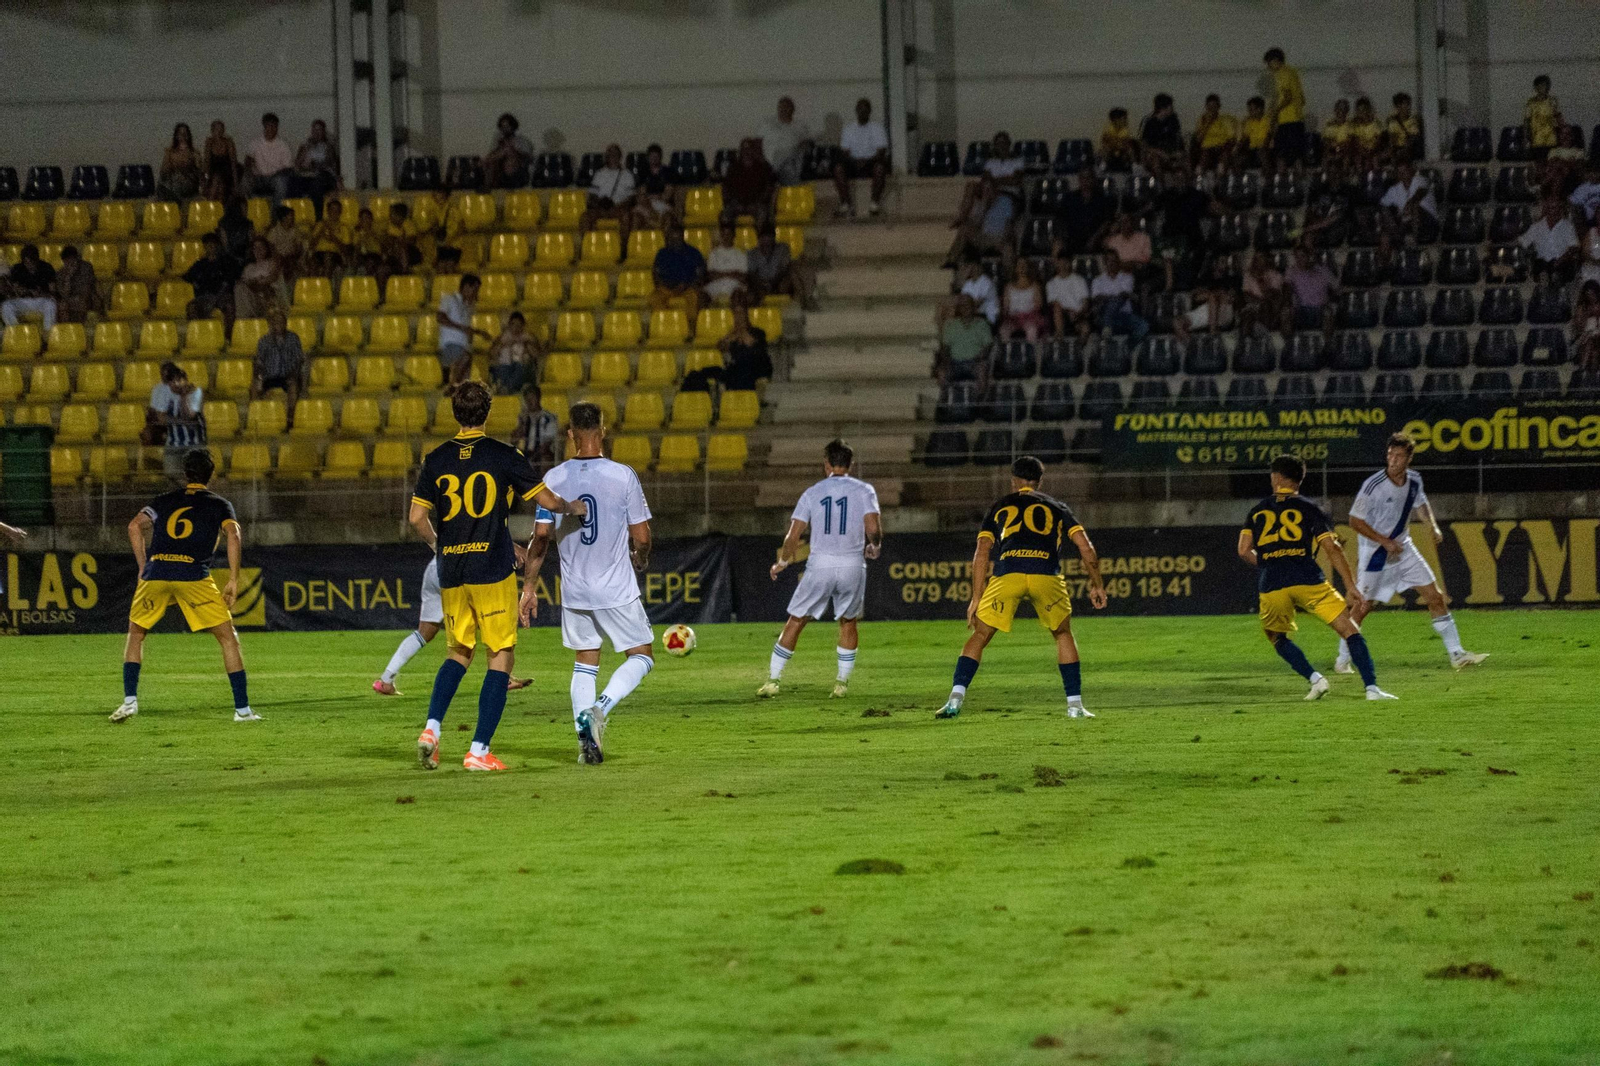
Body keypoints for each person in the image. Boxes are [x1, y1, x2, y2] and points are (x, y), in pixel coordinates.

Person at [410, 381, 582, 771]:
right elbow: (547, 501)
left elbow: (416, 519)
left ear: (455, 413)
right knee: (500, 654)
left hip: (451, 569)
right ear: (487, 413)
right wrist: (575, 507)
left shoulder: (435, 460)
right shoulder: (504, 455)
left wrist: (441, 548)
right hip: (491, 568)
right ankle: (478, 750)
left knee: (458, 651)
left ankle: (432, 730)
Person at [519, 401, 653, 766]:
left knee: (585, 661)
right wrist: (640, 558)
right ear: (603, 430)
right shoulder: (622, 475)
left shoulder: (554, 479)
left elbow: (541, 537)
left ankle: (584, 743)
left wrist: (528, 588)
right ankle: (599, 710)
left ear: (570, 434)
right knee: (641, 655)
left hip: (575, 590)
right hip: (615, 586)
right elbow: (641, 536)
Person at [934, 455, 1108, 720]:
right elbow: (1086, 547)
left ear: (1013, 480)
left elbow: (982, 552)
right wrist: (1097, 585)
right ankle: (1075, 707)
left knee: (981, 634)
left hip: (1008, 573)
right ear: (1039, 481)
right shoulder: (1057, 506)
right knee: (1062, 633)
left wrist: (976, 597)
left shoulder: (999, 506)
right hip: (1046, 574)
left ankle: (955, 700)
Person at [110, 449, 258, 724]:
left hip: (157, 572)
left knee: (136, 633)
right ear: (210, 476)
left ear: (185, 474)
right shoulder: (219, 504)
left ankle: (130, 701)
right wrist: (235, 580)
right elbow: (234, 534)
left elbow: (134, 526)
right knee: (228, 638)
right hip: (193, 575)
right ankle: (243, 710)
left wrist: (144, 567)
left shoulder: (164, 500)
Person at [1238, 454, 1394, 702]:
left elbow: (1243, 550)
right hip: (1308, 580)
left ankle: (1315, 679)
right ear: (1299, 479)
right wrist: (1351, 586)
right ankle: (1372, 689)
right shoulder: (1310, 508)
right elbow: (1333, 548)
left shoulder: (1257, 511)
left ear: (1277, 478)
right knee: (1350, 630)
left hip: (1273, 584)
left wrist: (1271, 562)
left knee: (1276, 637)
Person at [1333, 433, 1488, 676]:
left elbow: (1421, 503)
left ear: (1409, 459)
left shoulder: (1414, 480)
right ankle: (1342, 659)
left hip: (1403, 549)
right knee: (1363, 607)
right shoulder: (1373, 485)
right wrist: (1384, 541)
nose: (1393, 460)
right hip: (1375, 554)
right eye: (1390, 455)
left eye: (1398, 456)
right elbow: (1354, 521)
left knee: (1435, 596)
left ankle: (1457, 654)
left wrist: (1432, 526)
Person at [759, 439, 882, 700]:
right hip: (851, 563)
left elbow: (794, 535)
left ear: (826, 464)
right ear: (851, 464)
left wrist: (782, 562)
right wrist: (875, 545)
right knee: (848, 622)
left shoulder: (813, 492)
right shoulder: (864, 490)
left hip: (821, 564)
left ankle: (773, 680)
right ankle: (841, 684)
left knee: (796, 620)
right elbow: (872, 527)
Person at [373, 556, 534, 697]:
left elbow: (418, 522)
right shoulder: (481, 521)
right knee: (499, 620)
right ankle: (503, 678)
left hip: (437, 565)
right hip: (464, 566)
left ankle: (386, 680)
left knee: (425, 632)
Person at [148, 362, 205, 479]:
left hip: (195, 442)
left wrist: (184, 397)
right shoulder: (164, 393)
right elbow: (162, 418)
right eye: (173, 382)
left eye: (179, 380)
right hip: (173, 442)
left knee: (196, 475)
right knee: (171, 474)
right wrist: (182, 422)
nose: (177, 384)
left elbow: (190, 415)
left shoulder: (195, 392)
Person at [833, 97, 889, 218]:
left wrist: (866, 161)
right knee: (838, 168)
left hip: (871, 163)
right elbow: (845, 152)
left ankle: (874, 204)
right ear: (856, 111)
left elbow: (881, 152)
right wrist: (855, 161)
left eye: (865, 110)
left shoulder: (877, 128)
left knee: (880, 168)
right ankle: (846, 205)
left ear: (869, 111)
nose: (862, 112)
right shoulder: (848, 129)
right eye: (860, 110)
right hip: (853, 163)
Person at [437, 273, 490, 392]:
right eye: (475, 289)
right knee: (466, 357)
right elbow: (440, 317)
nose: (476, 293)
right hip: (450, 344)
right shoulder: (449, 299)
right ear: (466, 286)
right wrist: (462, 328)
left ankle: (456, 392)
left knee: (465, 380)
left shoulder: (469, 306)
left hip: (464, 345)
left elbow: (466, 327)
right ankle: (451, 386)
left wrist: (478, 332)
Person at [250, 309, 304, 424]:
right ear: (271, 324)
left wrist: (294, 374)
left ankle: (290, 417)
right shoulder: (264, 341)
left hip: (287, 375)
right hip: (269, 376)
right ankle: (255, 416)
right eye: (275, 322)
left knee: (293, 384)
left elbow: (299, 360)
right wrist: (259, 376)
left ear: (285, 323)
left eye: (281, 322)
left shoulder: (293, 339)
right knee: (255, 385)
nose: (278, 325)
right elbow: (259, 362)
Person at [580, 143, 636, 247]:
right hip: (601, 208)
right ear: (607, 156)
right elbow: (592, 195)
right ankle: (587, 247)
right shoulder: (599, 174)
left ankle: (623, 248)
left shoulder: (627, 175)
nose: (613, 157)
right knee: (585, 218)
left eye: (615, 154)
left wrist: (617, 206)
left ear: (620, 157)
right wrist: (599, 203)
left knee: (627, 218)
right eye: (610, 154)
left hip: (619, 208)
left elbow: (631, 198)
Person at [650, 222, 706, 325]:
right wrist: (667, 286)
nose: (675, 241)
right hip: (667, 288)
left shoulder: (693, 252)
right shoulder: (662, 253)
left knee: (695, 297)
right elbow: (656, 274)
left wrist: (687, 285)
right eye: (672, 239)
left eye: (677, 238)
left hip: (688, 288)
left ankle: (690, 327)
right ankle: (667, 324)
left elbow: (701, 274)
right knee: (655, 298)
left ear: (682, 236)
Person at [1090, 250, 1148, 343]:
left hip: (1124, 316)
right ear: (1105, 262)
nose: (1112, 263)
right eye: (1109, 260)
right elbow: (1097, 299)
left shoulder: (1127, 277)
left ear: (1118, 262)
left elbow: (1124, 296)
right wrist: (1113, 298)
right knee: (1115, 301)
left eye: (1114, 260)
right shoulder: (1098, 280)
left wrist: (1108, 298)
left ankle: (1128, 348)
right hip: (1104, 316)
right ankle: (1107, 326)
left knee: (1143, 326)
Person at [1052, 172, 1114, 258]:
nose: (1086, 181)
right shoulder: (1070, 198)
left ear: (1093, 180)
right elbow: (1060, 219)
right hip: (1072, 239)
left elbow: (1107, 221)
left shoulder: (1102, 199)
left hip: (1096, 239)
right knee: (1058, 245)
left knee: (1108, 243)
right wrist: (1063, 237)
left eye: (1088, 178)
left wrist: (1094, 239)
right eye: (1083, 178)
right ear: (1079, 180)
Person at [936, 293, 992, 387]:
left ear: (973, 306)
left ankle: (980, 400)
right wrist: (946, 361)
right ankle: (946, 399)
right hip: (954, 363)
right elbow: (945, 347)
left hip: (974, 363)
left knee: (982, 370)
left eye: (968, 305)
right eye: (962, 306)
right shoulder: (950, 325)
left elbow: (988, 346)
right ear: (958, 308)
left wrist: (980, 357)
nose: (965, 308)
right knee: (942, 372)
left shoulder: (982, 324)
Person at [1519, 196, 1579, 283]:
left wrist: (1559, 261)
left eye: (1554, 207)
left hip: (1561, 262)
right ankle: (1545, 279)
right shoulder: (1536, 227)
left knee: (1564, 268)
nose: (1552, 210)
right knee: (1539, 265)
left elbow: (1574, 247)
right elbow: (1523, 242)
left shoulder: (1568, 226)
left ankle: (1552, 278)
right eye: (1549, 207)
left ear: (1560, 209)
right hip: (1542, 263)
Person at [747, 226, 811, 307]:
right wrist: (763, 284)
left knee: (791, 275)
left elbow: (784, 269)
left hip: (778, 282)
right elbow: (752, 274)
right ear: (759, 240)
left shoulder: (783, 249)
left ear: (773, 239)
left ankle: (801, 302)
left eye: (769, 241)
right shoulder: (752, 253)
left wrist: (773, 283)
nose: (766, 244)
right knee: (751, 288)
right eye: (763, 241)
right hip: (761, 284)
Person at [1263, 48, 1307, 169]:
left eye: (1269, 63)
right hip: (1298, 120)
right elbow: (1302, 99)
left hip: (1287, 121)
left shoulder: (1281, 74)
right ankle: (1300, 184)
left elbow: (1287, 97)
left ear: (1276, 60)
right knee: (1297, 155)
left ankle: (1282, 184)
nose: (1268, 67)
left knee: (1281, 154)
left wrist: (1275, 113)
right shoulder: (1293, 72)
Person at [1379, 161, 1439, 247]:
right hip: (1407, 223)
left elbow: (1420, 193)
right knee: (1385, 232)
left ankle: (1414, 239)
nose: (1402, 174)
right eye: (1399, 172)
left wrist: (1409, 203)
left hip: (1429, 224)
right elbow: (1383, 205)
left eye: (1405, 171)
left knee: (1415, 207)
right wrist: (1392, 221)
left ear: (1411, 171)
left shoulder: (1420, 180)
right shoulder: (1394, 189)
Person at [185, 232, 237, 330]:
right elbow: (188, 276)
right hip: (205, 296)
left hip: (222, 296)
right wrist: (195, 282)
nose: (211, 247)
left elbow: (230, 280)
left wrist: (217, 297)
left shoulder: (226, 262)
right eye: (208, 244)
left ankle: (229, 334)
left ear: (217, 246)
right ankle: (197, 332)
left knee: (229, 306)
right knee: (191, 308)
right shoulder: (200, 264)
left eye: (213, 244)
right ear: (204, 246)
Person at [722, 137, 777, 227]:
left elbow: (770, 186)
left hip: (756, 204)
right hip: (737, 204)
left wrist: (759, 201)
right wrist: (733, 202)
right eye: (744, 149)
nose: (746, 152)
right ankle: (727, 240)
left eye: (749, 149)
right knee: (725, 215)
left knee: (763, 214)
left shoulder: (763, 167)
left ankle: (761, 239)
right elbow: (726, 188)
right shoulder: (734, 168)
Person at [1285, 244, 1339, 335]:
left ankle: (1328, 345)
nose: (1299, 260)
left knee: (1328, 312)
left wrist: (1328, 299)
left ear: (1309, 256)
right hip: (1301, 310)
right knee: (1286, 312)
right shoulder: (1291, 271)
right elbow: (1286, 287)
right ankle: (1290, 345)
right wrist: (1289, 302)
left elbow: (1337, 289)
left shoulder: (1323, 271)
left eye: (1302, 256)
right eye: (1297, 257)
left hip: (1320, 309)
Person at [293, 119, 341, 217]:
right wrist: (306, 151)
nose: (316, 133)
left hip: (325, 176)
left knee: (317, 184)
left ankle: (318, 216)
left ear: (324, 132)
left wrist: (315, 165)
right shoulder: (305, 145)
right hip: (308, 175)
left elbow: (330, 163)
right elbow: (297, 165)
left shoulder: (328, 146)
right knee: (293, 182)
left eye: (319, 130)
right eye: (314, 130)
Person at [1, 244, 57, 330]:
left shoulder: (47, 267)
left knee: (51, 305)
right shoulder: (17, 268)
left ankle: (48, 333)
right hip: (23, 300)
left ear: (37, 260)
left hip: (41, 300)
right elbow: (16, 289)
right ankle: (17, 332)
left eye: (32, 262)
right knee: (6, 306)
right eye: (26, 262)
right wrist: (24, 291)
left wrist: (42, 293)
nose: (29, 265)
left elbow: (52, 290)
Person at [244, 112, 294, 205]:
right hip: (258, 177)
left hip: (275, 178)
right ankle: (251, 210)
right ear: (264, 127)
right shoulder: (255, 142)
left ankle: (275, 214)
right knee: (245, 181)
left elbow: (288, 168)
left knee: (281, 183)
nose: (270, 129)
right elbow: (248, 159)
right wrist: (250, 172)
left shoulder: (283, 145)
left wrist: (275, 175)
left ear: (277, 128)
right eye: (268, 126)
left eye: (273, 126)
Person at [762, 96, 812, 185]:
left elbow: (806, 143)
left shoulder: (800, 126)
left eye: (786, 107)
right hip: (772, 161)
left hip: (793, 160)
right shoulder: (767, 124)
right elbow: (758, 143)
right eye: (781, 107)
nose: (783, 109)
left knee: (792, 162)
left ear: (792, 109)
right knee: (785, 163)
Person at [487, 311, 541, 394]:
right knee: (502, 368)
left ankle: (506, 389)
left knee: (520, 366)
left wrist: (528, 344)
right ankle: (507, 388)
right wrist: (503, 345)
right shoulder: (502, 338)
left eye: (519, 325)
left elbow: (537, 355)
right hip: (505, 369)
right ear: (509, 325)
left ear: (523, 326)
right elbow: (492, 354)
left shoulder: (528, 338)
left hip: (522, 371)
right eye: (513, 325)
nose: (516, 328)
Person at [233, 236, 286, 320]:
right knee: (239, 288)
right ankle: (245, 319)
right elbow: (244, 283)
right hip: (253, 297)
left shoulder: (272, 263)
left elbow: (272, 278)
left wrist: (256, 282)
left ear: (266, 249)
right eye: (255, 248)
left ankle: (248, 316)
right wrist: (255, 282)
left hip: (268, 297)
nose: (258, 250)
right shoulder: (248, 268)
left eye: (261, 247)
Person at [513, 384, 561, 473]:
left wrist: (532, 458)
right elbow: (514, 441)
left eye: (532, 399)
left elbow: (547, 444)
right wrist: (521, 424)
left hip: (542, 453)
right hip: (527, 452)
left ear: (538, 398)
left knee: (545, 461)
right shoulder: (523, 417)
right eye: (527, 399)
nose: (529, 402)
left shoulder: (549, 418)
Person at [1240, 251, 1288, 335]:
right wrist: (1258, 300)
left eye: (1261, 258)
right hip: (1253, 305)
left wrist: (1262, 283)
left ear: (1267, 260)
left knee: (1266, 306)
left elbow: (1273, 295)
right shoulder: (1248, 275)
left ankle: (1267, 333)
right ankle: (1245, 343)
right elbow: (1246, 295)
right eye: (1257, 259)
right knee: (1247, 314)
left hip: (1271, 306)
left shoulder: (1276, 275)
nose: (1259, 261)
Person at [999, 257, 1047, 342]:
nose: (1022, 267)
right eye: (1019, 265)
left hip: (1030, 317)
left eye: (1024, 265)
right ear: (1015, 268)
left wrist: (1027, 315)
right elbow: (1006, 307)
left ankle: (1032, 353)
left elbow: (1038, 305)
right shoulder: (1008, 287)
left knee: (1032, 330)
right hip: (1012, 318)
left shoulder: (1035, 286)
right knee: (1004, 331)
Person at [632, 144, 676, 231]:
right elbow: (641, 195)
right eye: (652, 156)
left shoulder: (668, 172)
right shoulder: (643, 173)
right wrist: (650, 206)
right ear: (648, 157)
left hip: (662, 204)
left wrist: (656, 198)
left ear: (660, 157)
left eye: (656, 156)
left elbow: (667, 195)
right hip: (646, 204)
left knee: (668, 218)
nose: (654, 159)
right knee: (635, 218)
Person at [484, 112, 534, 189]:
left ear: (513, 126)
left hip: (518, 170)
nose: (505, 129)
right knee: (490, 161)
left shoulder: (522, 141)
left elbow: (528, 157)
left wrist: (512, 151)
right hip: (500, 171)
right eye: (503, 127)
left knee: (509, 154)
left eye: (507, 126)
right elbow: (491, 155)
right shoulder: (498, 141)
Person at [703, 219, 749, 303]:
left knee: (738, 295)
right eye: (724, 234)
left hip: (734, 285)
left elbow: (742, 277)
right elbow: (711, 275)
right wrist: (732, 273)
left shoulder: (740, 254)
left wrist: (720, 274)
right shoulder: (714, 253)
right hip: (716, 284)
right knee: (703, 296)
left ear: (733, 235)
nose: (726, 237)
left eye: (729, 234)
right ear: (721, 235)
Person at [1045, 254, 1090, 338]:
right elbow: (1054, 304)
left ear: (1070, 263)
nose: (1063, 265)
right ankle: (1059, 334)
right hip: (1062, 315)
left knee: (1085, 328)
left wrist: (1078, 314)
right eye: (1061, 263)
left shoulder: (1079, 280)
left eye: (1066, 263)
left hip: (1078, 315)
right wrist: (1069, 312)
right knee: (1056, 309)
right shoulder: (1051, 284)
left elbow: (1085, 302)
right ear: (1057, 264)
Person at [1192, 93, 1239, 171]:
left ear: (1219, 107)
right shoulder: (1202, 120)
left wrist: (1225, 146)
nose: (1212, 109)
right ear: (1206, 107)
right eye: (1209, 107)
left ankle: (1221, 175)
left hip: (1221, 147)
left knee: (1224, 157)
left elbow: (1231, 138)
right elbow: (1198, 140)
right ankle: (1199, 176)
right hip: (1206, 148)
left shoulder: (1225, 120)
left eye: (1214, 107)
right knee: (1204, 157)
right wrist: (1208, 124)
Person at [53, 246, 98, 323]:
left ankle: (80, 329)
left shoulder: (86, 267)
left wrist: (78, 298)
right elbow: (64, 295)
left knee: (81, 303)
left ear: (76, 259)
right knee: (61, 306)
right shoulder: (60, 273)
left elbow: (87, 289)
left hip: (86, 298)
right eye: (66, 262)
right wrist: (68, 278)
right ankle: (67, 329)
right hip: (69, 300)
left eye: (72, 261)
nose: (69, 264)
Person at [158, 122, 203, 201]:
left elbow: (199, 172)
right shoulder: (170, 152)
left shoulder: (194, 153)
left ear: (188, 135)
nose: (183, 136)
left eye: (185, 133)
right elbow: (163, 172)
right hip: (173, 181)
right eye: (180, 133)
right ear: (176, 136)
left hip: (188, 183)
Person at [1139, 93, 1184, 170]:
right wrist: (1158, 152)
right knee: (1156, 162)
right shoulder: (1149, 122)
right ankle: (1160, 181)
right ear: (1163, 108)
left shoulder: (1173, 119)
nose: (1173, 109)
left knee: (1184, 163)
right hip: (1155, 152)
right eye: (1171, 107)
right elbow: (1144, 144)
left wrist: (1179, 151)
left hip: (1170, 151)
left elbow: (1178, 138)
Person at [1524, 75, 1561, 162]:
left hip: (1551, 139)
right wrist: (1525, 137)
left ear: (1547, 87)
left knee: (1551, 165)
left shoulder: (1552, 101)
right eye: (1538, 86)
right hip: (1537, 139)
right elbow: (1526, 120)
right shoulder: (1531, 103)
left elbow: (1557, 118)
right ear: (1535, 87)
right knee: (1538, 164)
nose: (1541, 88)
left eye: (1543, 85)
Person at [204, 120, 238, 202]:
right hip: (214, 171)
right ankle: (213, 209)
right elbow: (207, 162)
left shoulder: (228, 142)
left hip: (226, 171)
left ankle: (218, 209)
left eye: (221, 129)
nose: (218, 131)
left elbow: (233, 162)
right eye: (216, 129)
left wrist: (235, 182)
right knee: (216, 183)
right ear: (212, 131)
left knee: (220, 184)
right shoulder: (209, 142)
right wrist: (205, 179)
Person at [1348, 97, 1385, 170]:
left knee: (1375, 159)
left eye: (1363, 110)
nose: (1361, 113)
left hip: (1374, 151)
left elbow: (1378, 141)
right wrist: (1362, 151)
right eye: (1359, 110)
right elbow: (1354, 141)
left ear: (1368, 110)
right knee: (1357, 159)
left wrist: (1370, 151)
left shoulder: (1376, 123)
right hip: (1359, 152)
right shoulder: (1353, 124)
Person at [1386, 92, 1423, 164]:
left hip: (1409, 149)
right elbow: (1392, 139)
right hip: (1397, 148)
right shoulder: (1393, 122)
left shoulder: (1413, 121)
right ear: (1398, 107)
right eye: (1406, 104)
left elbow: (1412, 140)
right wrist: (1392, 150)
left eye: (1409, 104)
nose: (1408, 107)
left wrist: (1402, 150)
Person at [1237, 96, 1271, 170]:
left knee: (1262, 154)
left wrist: (1263, 147)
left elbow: (1269, 136)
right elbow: (1245, 138)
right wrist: (1237, 148)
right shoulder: (1249, 122)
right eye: (1249, 110)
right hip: (1253, 149)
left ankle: (1267, 178)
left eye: (1251, 110)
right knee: (1239, 159)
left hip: (1266, 148)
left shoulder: (1267, 120)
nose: (1249, 112)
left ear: (1260, 109)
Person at [1099, 107, 1137, 171]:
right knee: (1105, 148)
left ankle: (1134, 164)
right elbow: (1105, 141)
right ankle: (1104, 163)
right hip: (1111, 148)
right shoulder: (1108, 129)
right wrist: (1114, 145)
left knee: (1130, 149)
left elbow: (1126, 141)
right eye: (1123, 119)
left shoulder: (1125, 130)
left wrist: (1121, 146)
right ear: (1116, 120)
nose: (1125, 121)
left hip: (1122, 148)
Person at [1575, 281, 1600, 368]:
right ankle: (1584, 371)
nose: (1591, 297)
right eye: (1588, 295)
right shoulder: (1582, 307)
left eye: (1592, 294)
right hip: (1587, 335)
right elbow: (1579, 325)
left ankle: (1583, 369)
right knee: (1591, 348)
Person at [1321, 99, 1352, 163]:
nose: (1341, 112)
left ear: (1346, 112)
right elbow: (1325, 140)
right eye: (1339, 109)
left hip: (1344, 152)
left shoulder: (1350, 125)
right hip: (1331, 151)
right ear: (1335, 110)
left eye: (1343, 109)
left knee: (1346, 159)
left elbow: (1349, 142)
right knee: (1325, 157)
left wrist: (1339, 147)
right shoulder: (1329, 124)